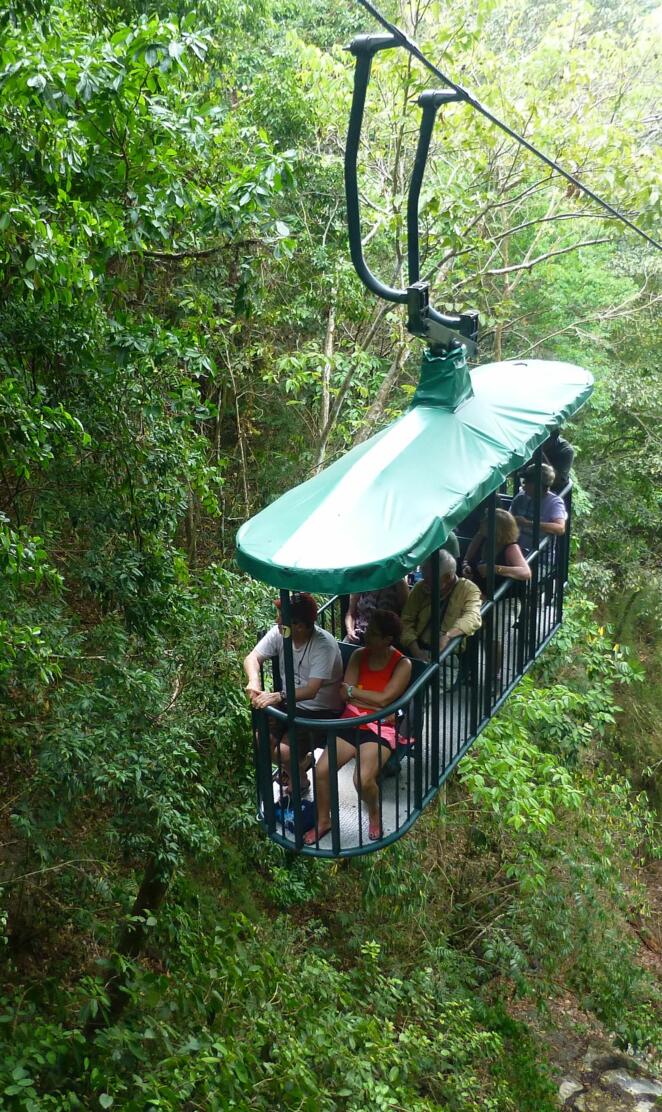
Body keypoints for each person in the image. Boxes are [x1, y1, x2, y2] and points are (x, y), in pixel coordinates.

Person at [304, 609, 412, 844]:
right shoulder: (358, 656)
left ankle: (374, 814)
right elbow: (345, 693)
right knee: (322, 770)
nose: (366, 636)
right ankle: (324, 820)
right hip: (351, 721)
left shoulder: (402, 664)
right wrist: (374, 700)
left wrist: (363, 696)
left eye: (373, 634)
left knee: (362, 780)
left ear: (387, 640)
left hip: (379, 727)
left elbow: (384, 699)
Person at [243, 592, 343, 792]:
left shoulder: (323, 645)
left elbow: (311, 690)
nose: (277, 621)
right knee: (261, 740)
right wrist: (254, 681)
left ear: (298, 625)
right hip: (289, 703)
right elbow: (252, 657)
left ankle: (297, 775)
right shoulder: (280, 633)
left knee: (284, 753)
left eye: (282, 617)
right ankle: (300, 773)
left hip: (318, 710)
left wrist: (278, 695)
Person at [400, 550, 482, 662]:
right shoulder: (420, 588)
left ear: (447, 577)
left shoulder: (468, 589)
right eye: (424, 578)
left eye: (429, 580)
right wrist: (417, 652)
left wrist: (448, 636)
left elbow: (473, 617)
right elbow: (406, 620)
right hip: (416, 649)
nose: (425, 583)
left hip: (448, 655)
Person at [462, 508, 531, 595]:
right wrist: (465, 566)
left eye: (486, 521)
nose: (482, 522)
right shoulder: (480, 537)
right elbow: (466, 559)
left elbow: (526, 572)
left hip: (502, 598)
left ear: (496, 529)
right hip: (475, 593)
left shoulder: (511, 548)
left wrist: (493, 568)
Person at [510, 463, 567, 555]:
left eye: (527, 482)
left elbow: (560, 528)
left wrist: (527, 523)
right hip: (515, 552)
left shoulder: (554, 502)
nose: (524, 486)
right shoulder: (520, 497)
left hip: (540, 558)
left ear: (539, 485)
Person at [344, 578, 409, 645]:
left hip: (385, 638)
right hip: (360, 635)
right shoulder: (361, 580)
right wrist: (350, 631)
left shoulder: (399, 583)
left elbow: (406, 615)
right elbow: (351, 613)